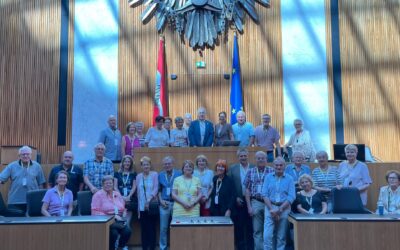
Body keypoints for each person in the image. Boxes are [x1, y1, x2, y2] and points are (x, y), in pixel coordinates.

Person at [0, 146, 46, 214]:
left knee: (33, 222)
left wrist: (40, 200)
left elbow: (41, 184)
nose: (25, 156)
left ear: (31, 155)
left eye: (27, 154)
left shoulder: (37, 166)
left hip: (32, 201)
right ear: (19, 156)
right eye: (23, 154)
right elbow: (1, 179)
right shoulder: (11, 166)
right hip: (15, 201)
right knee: (15, 223)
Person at [262, 157, 295, 250]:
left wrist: (280, 210)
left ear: (284, 166)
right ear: (273, 166)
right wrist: (272, 209)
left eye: (281, 165)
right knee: (267, 236)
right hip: (270, 207)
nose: (279, 167)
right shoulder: (268, 177)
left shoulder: (290, 179)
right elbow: (264, 194)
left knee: (281, 237)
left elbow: (291, 196)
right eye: (276, 165)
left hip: (284, 208)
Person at [244, 151, 274, 250]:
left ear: (266, 159)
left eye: (263, 158)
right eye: (258, 158)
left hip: (269, 203)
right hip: (256, 202)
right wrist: (249, 206)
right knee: (257, 231)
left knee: (269, 230)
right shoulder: (250, 171)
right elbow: (247, 190)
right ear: (255, 159)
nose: (261, 160)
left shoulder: (272, 171)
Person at [91, 175, 131, 250]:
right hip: (105, 221)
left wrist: (124, 213)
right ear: (102, 184)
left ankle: (120, 247)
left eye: (110, 183)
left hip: (118, 220)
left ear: (113, 184)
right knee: (114, 234)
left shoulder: (117, 194)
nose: (108, 185)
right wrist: (112, 217)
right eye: (106, 183)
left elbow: (123, 206)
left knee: (127, 231)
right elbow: (94, 211)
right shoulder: (98, 195)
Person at [228, 148, 255, 250]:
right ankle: (240, 247)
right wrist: (235, 198)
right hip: (238, 201)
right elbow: (230, 186)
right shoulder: (233, 168)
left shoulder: (253, 167)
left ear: (248, 156)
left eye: (245, 155)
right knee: (239, 227)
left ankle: (250, 247)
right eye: (241, 156)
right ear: (238, 157)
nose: (243, 157)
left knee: (250, 227)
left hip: (252, 201)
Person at [158, 156, 182, 250]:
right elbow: (159, 190)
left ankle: (176, 246)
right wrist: (161, 201)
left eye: (169, 163)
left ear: (173, 164)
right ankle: (163, 247)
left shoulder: (179, 173)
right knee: (163, 228)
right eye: (165, 164)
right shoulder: (160, 175)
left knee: (176, 226)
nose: (167, 165)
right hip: (164, 203)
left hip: (177, 204)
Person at [136, 156, 159, 250]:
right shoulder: (138, 176)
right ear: (141, 166)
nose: (146, 166)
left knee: (152, 228)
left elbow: (156, 188)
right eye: (144, 164)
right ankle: (144, 247)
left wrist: (148, 201)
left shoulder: (154, 174)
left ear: (150, 165)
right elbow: (138, 192)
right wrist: (138, 209)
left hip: (151, 205)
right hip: (142, 207)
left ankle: (152, 248)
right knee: (144, 229)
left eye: (147, 164)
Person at [114, 155, 137, 228]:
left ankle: (125, 237)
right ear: (122, 163)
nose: (127, 163)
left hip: (129, 200)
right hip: (118, 199)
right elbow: (115, 186)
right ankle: (118, 239)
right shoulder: (117, 174)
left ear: (131, 164)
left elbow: (134, 186)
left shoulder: (133, 174)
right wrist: (121, 197)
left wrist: (129, 196)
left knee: (127, 222)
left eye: (129, 162)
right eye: (125, 161)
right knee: (119, 221)